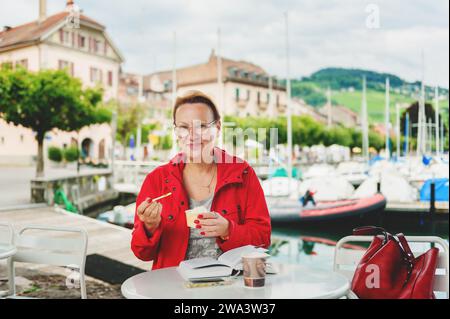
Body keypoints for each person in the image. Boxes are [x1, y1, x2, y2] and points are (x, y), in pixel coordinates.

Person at [131, 90, 271, 270]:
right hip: (174, 285)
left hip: (230, 285)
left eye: (202, 126)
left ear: (218, 128)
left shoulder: (243, 173)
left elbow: (263, 238)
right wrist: (149, 226)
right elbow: (141, 253)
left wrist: (229, 229)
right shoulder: (156, 179)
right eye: (183, 127)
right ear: (176, 131)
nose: (192, 135)